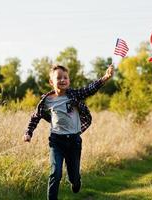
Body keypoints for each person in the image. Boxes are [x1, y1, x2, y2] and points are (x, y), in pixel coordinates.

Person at [23, 64, 114, 200]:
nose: (62, 80)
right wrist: (28, 132)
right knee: (55, 172)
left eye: (65, 77)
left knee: (73, 175)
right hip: (56, 141)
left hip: (74, 141)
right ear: (51, 82)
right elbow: (36, 116)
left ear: (69, 80)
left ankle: (76, 182)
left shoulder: (74, 95)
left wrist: (105, 78)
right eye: (58, 78)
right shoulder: (47, 100)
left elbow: (89, 89)